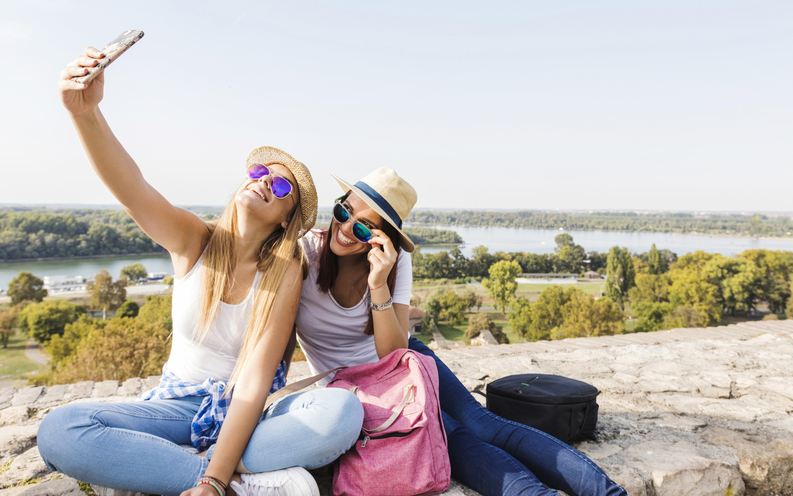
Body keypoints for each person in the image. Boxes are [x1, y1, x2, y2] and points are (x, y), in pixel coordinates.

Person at [37, 45, 364, 496]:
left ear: (285, 220)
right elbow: (132, 189)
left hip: (250, 414)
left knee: (341, 413)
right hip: (176, 408)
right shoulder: (194, 241)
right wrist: (85, 113)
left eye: (280, 185)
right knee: (61, 429)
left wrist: (213, 476)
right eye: (259, 171)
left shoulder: (284, 271)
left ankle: (183, 468)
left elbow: (253, 384)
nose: (263, 180)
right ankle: (235, 482)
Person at [293, 167, 628, 496]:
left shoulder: (393, 262)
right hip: (357, 390)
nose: (346, 228)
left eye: (363, 228)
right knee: (453, 439)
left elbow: (394, 354)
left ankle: (609, 493)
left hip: (406, 363)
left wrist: (378, 285)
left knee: (484, 425)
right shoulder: (304, 256)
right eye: (344, 211)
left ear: (383, 239)